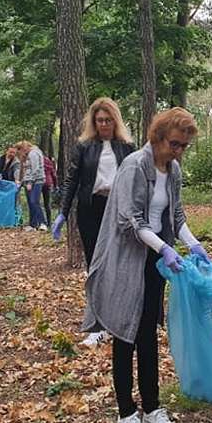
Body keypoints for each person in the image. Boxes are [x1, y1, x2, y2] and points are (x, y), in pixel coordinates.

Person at [81, 107, 210, 423]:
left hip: (154, 262)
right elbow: (131, 220)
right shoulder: (134, 166)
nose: (179, 151)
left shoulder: (174, 169)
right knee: (125, 334)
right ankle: (126, 413)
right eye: (174, 144)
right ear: (157, 137)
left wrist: (193, 245)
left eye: (184, 146)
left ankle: (152, 407)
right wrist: (164, 248)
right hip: (126, 259)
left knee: (148, 333)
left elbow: (176, 214)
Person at [53, 98, 136, 346]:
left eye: (108, 120)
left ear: (115, 120)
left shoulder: (127, 147)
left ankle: (119, 318)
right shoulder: (84, 146)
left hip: (119, 210)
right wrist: (63, 213)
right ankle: (98, 325)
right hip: (91, 209)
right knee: (96, 267)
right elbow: (72, 180)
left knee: (118, 265)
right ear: (93, 122)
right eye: (99, 120)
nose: (104, 125)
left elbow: (137, 181)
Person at [16, 140, 48, 231]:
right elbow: (27, 170)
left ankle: (43, 222)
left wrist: (30, 182)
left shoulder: (33, 154)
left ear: (23, 148)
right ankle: (33, 224)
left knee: (34, 201)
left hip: (36, 181)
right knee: (31, 203)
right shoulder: (29, 155)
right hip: (29, 181)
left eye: (20, 150)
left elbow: (35, 169)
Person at [42, 152, 57, 226]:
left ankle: (42, 221)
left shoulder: (38, 161)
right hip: (48, 183)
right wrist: (55, 185)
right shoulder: (49, 162)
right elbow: (53, 174)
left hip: (39, 183)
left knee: (37, 203)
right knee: (47, 203)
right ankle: (49, 222)